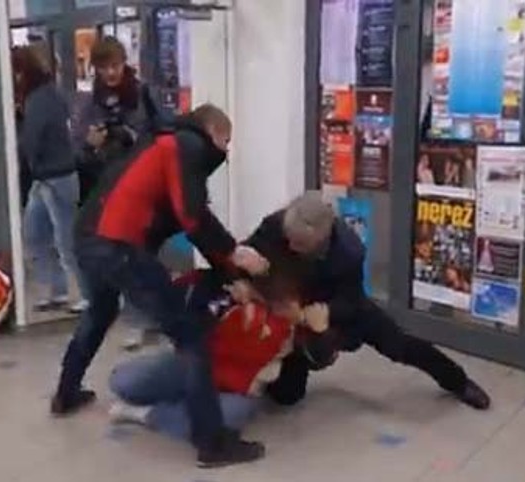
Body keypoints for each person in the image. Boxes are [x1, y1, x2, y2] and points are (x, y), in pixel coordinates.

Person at [52, 104, 271, 468]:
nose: (226, 151)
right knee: (191, 337)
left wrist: (229, 269)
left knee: (101, 311)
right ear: (212, 131)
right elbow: (193, 216)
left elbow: (187, 221)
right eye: (226, 141)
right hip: (118, 246)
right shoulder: (187, 146)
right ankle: (212, 444)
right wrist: (236, 253)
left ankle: (66, 393)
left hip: (89, 238)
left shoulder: (161, 143)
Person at [240, 192, 491, 410]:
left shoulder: (348, 251)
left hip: (335, 302)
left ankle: (458, 381)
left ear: (321, 239)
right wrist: (244, 275)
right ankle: (255, 383)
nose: (291, 246)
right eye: (288, 239)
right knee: (288, 397)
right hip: (290, 296)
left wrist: (323, 314)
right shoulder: (277, 225)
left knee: (398, 344)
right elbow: (244, 252)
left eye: (300, 244)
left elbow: (349, 300)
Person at [107, 269, 317, 440]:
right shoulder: (232, 302)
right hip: (195, 367)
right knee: (124, 381)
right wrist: (228, 304)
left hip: (232, 391)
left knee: (222, 421)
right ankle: (175, 405)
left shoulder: (295, 327)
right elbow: (185, 309)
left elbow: (315, 357)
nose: (284, 308)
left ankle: (146, 414)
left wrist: (316, 329)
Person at [74, 36, 170, 348]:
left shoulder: (142, 93)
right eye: (104, 67)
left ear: (124, 63)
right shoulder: (90, 103)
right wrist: (92, 145)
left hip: (145, 182)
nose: (111, 72)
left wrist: (135, 137)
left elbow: (165, 129)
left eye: (115, 65)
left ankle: (154, 313)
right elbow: (81, 155)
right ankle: (137, 318)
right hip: (110, 186)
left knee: (144, 251)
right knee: (124, 253)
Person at [14, 46, 87, 313]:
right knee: (36, 234)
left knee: (65, 241)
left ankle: (88, 295)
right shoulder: (49, 94)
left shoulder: (38, 99)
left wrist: (23, 161)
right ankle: (57, 290)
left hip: (55, 177)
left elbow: (32, 139)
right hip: (48, 177)